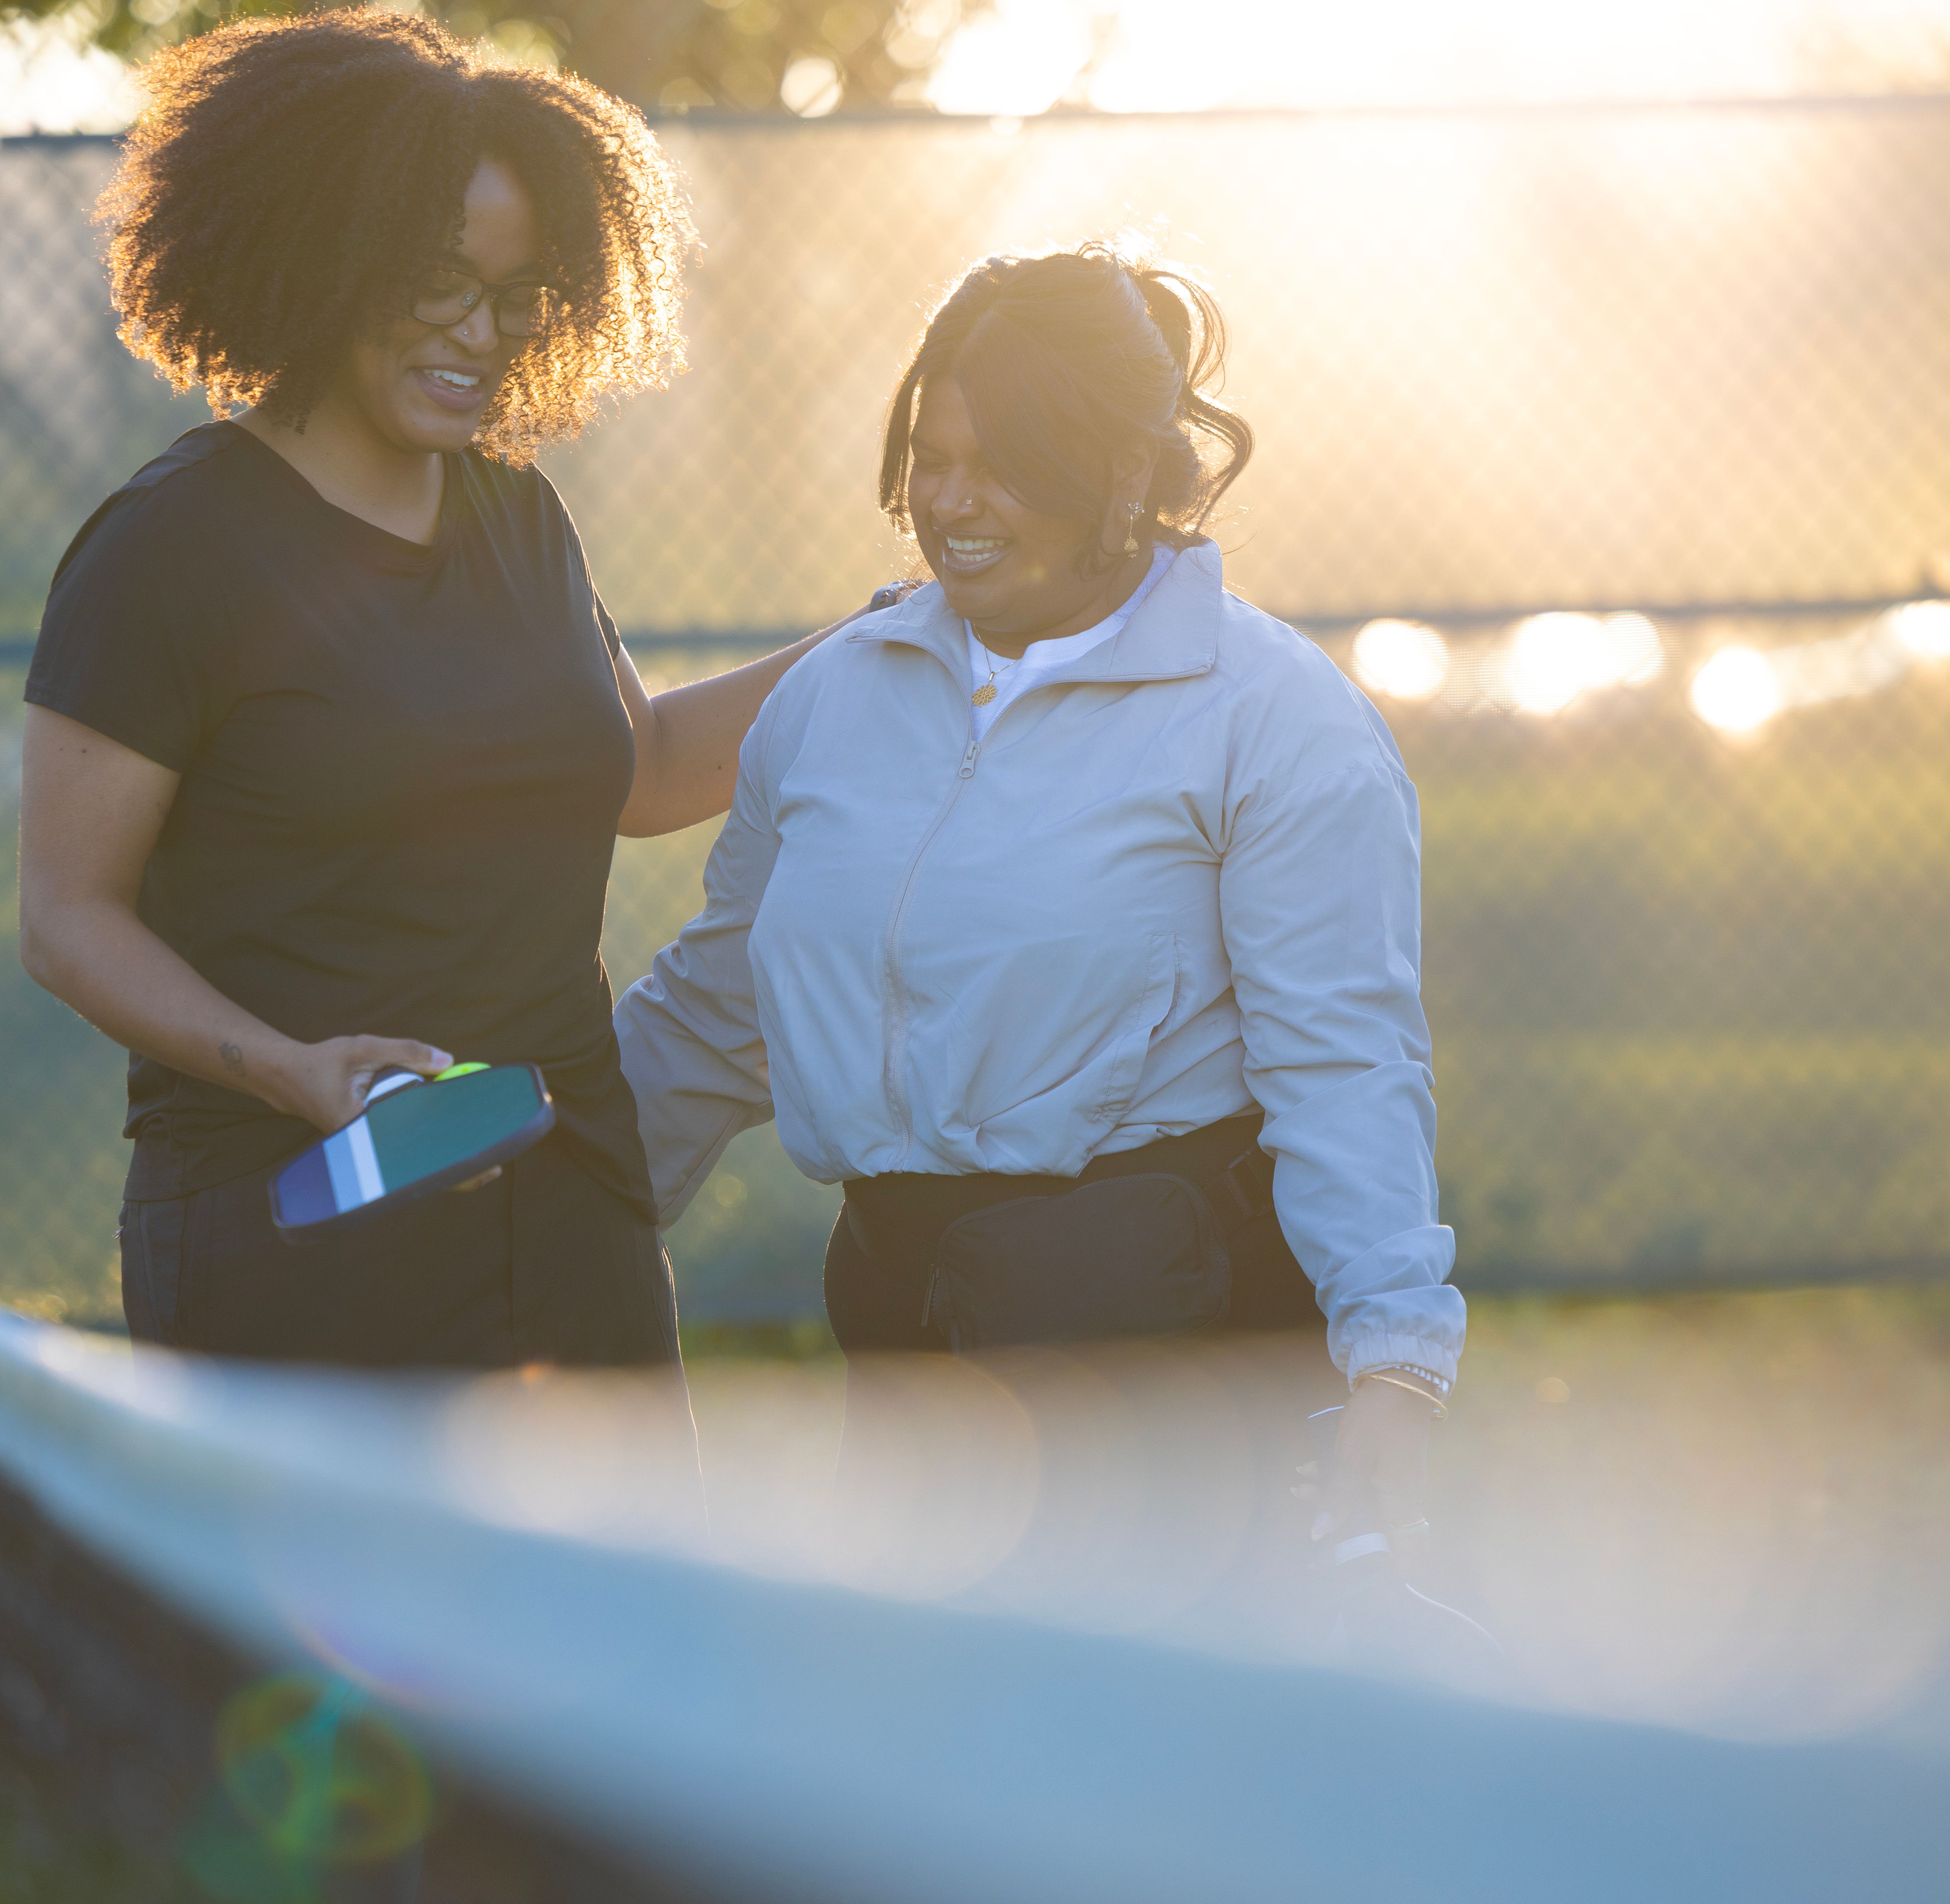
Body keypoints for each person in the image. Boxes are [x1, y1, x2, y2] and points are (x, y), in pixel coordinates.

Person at [18, 11, 862, 1371]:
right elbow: (67, 919)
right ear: (322, 258)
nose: (483, 331)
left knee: (615, 1590)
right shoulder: (169, 548)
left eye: (519, 290)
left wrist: (874, 644)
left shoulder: (517, 515)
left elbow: (638, 769)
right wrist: (288, 1067)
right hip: (295, 1213)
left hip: (570, 1194)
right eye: (437, 281)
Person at [614, 244, 1466, 1548]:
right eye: (931, 458)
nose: (952, 502)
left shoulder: (1274, 716)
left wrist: (1396, 1366)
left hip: (1156, 1346)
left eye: (1002, 464)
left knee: (1134, 1743)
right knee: (919, 1729)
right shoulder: (835, 695)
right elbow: (723, 1006)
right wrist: (549, 1202)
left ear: (1123, 475)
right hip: (905, 1324)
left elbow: (1346, 1064)